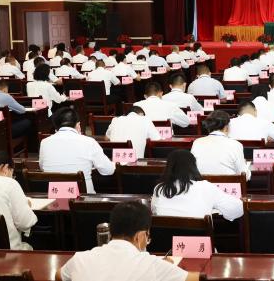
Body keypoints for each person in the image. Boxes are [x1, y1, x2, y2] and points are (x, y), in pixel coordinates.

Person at [59, 201, 198, 281]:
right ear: (140, 236)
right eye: (147, 236)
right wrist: (166, 269)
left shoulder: (79, 259)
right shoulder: (152, 265)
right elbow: (196, 278)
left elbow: (59, 276)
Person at [38, 108, 116, 193]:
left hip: (54, 197)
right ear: (78, 125)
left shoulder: (45, 142)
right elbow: (108, 170)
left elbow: (42, 168)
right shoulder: (89, 142)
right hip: (84, 199)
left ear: (56, 127)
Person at [151, 150, 243, 221]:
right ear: (193, 166)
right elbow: (238, 209)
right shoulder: (206, 187)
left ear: (169, 167)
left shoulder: (160, 188)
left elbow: (154, 211)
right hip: (197, 240)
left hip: (165, 240)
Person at [190, 111, 251, 179]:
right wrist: (245, 165)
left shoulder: (197, 142)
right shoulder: (236, 145)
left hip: (202, 184)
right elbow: (245, 177)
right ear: (226, 127)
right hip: (228, 185)